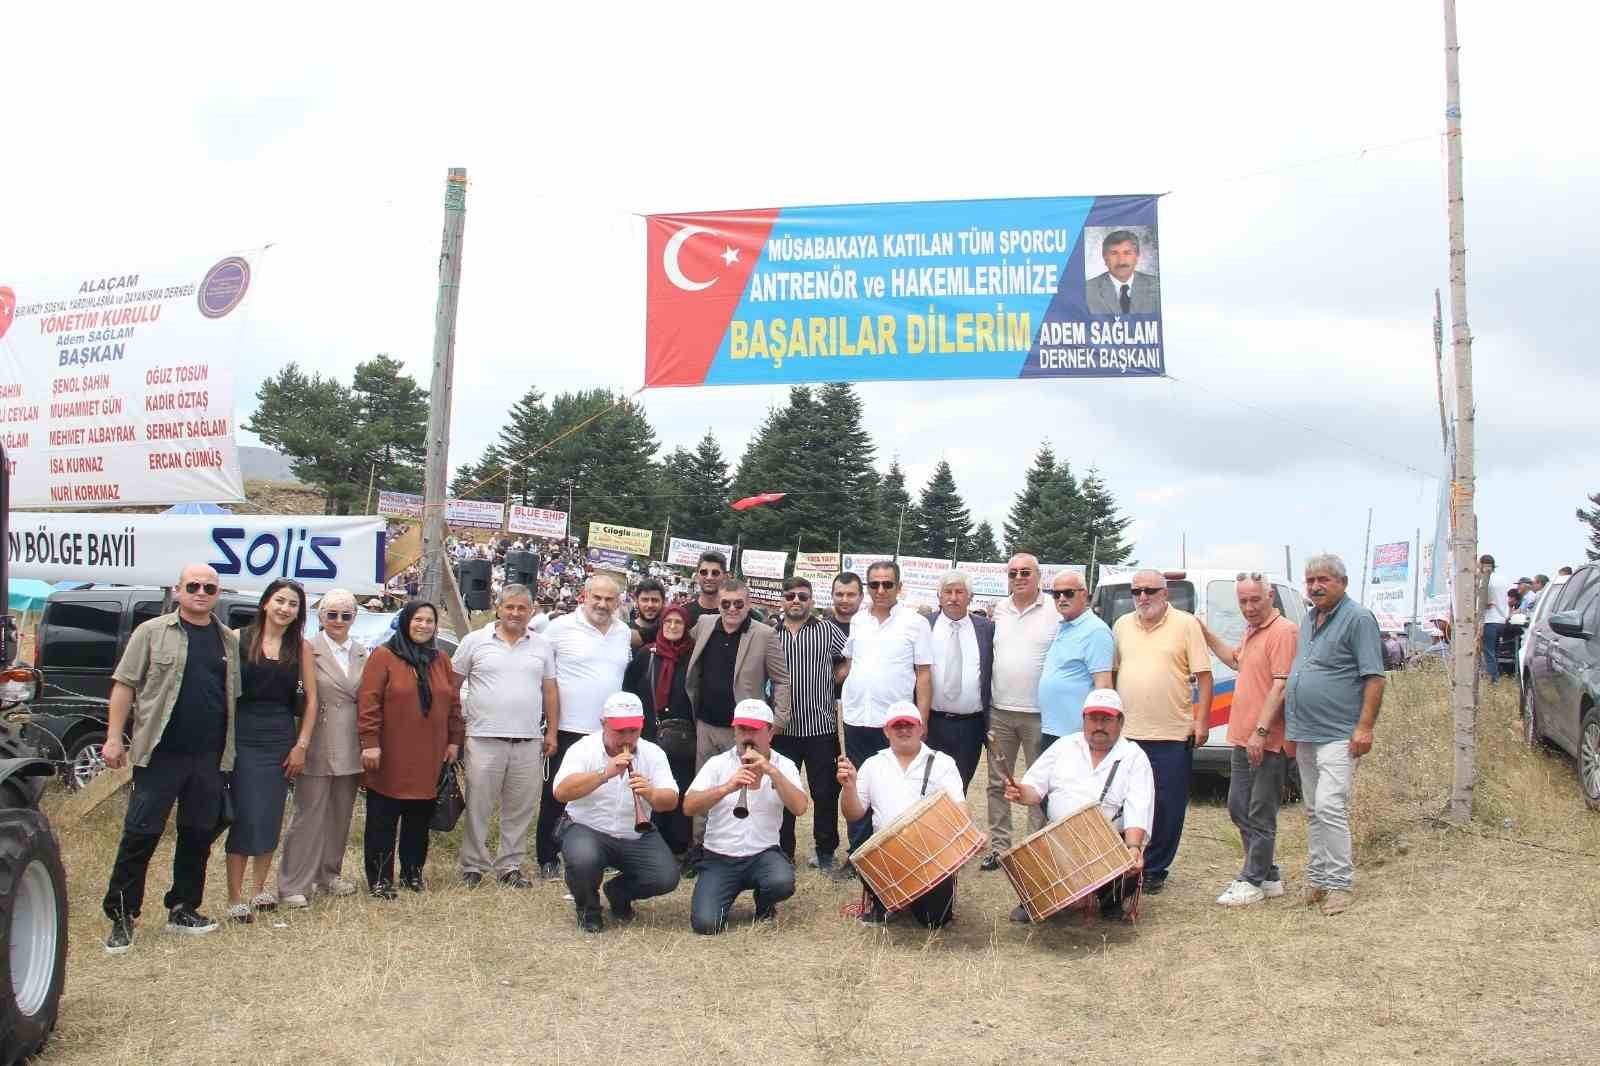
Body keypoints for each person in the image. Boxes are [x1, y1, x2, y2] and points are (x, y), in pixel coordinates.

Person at [100, 565, 241, 953]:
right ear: (177, 591)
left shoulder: (228, 641)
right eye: (192, 586)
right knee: (140, 834)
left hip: (209, 757)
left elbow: (233, 699)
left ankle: (183, 908)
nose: (200, 592)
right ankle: (123, 917)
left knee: (197, 836)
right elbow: (125, 685)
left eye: (208, 587)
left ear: (218, 592)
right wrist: (114, 738)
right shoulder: (151, 632)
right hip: (160, 754)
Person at [1285, 553, 1386, 916]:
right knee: (1313, 809)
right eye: (1310, 580)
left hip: (1339, 733)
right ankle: (1317, 879)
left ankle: (1340, 885)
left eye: (1324, 579)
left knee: (1330, 806)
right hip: (1306, 732)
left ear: (1342, 582)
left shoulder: (1358, 618)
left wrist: (1365, 727)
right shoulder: (1309, 619)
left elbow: (1374, 677)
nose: (1316, 586)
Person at [1002, 689, 1152, 922]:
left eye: (1107, 719)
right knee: (1035, 852)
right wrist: (1021, 792)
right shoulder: (1063, 745)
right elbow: (1034, 790)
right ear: (1083, 720)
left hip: (1107, 845)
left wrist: (1133, 848)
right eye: (1093, 719)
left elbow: (1138, 806)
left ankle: (1109, 901)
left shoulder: (1134, 756)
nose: (1099, 725)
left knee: (1128, 863)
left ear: (1120, 721)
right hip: (1059, 841)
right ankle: (1038, 899)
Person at [1199, 573, 1298, 908]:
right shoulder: (1253, 630)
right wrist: (1205, 633)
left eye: (1255, 599)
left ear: (1270, 596)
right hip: (1242, 738)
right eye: (1243, 601)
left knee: (1260, 810)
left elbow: (1280, 685)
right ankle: (1268, 875)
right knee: (1238, 806)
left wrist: (1260, 731)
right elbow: (1236, 661)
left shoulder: (1283, 631)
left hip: (1265, 741)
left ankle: (1252, 879)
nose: (1249, 607)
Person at [1111, 569, 1212, 893]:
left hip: (1171, 733)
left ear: (1165, 593)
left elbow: (1205, 677)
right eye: (1137, 591)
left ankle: (1155, 870)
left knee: (1167, 805)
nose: (1143, 597)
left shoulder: (1186, 625)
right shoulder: (1122, 625)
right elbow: (1113, 673)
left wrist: (1202, 721)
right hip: (1128, 733)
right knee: (1125, 802)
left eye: (1150, 591)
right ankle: (1125, 862)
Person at [224, 579, 319, 922]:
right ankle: (235, 896)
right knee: (245, 814)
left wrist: (301, 744)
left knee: (270, 814)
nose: (285, 608)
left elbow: (311, 701)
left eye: (293, 604)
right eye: (280, 600)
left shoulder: (302, 648)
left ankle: (259, 889)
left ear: (299, 612)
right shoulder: (237, 639)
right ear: (265, 603)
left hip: (281, 738)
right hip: (243, 736)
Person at [683, 576, 791, 873]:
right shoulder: (704, 624)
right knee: (705, 787)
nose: (732, 609)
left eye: (738, 604)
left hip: (743, 731)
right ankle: (699, 849)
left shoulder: (765, 634)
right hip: (705, 723)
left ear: (748, 604)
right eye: (726, 604)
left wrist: (779, 718)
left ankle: (737, 851)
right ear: (718, 603)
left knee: (741, 790)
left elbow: (781, 679)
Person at [453, 584, 558, 889]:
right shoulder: (474, 641)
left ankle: (510, 866)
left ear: (531, 611)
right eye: (509, 607)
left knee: (521, 808)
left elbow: (550, 691)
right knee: (478, 806)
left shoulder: (542, 646)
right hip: (483, 738)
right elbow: (451, 684)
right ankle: (473, 865)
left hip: (528, 741)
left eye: (522, 608)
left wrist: (551, 730)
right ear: (497, 608)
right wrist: (455, 731)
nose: (515, 613)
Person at [358, 601, 464, 898]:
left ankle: (412, 873)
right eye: (418, 619)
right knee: (383, 819)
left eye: (430, 621)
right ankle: (379, 878)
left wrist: (454, 740)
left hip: (430, 756)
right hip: (390, 753)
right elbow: (369, 703)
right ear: (406, 622)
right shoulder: (384, 656)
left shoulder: (440, 659)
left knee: (418, 819)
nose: (424, 626)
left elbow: (453, 704)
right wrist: (369, 743)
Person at [837, 701, 974, 927]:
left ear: (921, 728)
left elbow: (960, 808)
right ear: (886, 731)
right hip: (885, 857)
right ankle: (885, 900)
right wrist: (848, 787)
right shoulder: (872, 765)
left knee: (934, 922)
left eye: (909, 725)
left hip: (931, 858)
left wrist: (969, 834)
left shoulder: (943, 763)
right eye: (897, 725)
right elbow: (853, 814)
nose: (903, 730)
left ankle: (913, 902)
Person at [552, 692, 681, 933]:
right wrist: (604, 774)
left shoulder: (653, 753)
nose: (628, 738)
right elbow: (561, 792)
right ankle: (588, 910)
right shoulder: (583, 749)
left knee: (666, 877)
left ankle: (618, 893)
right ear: (603, 724)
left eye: (633, 731)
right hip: (587, 828)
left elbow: (671, 800)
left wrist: (651, 794)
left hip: (634, 834)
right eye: (620, 731)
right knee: (583, 859)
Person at [536, 573, 633, 880]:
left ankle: (598, 855)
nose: (602, 604)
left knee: (601, 794)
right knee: (556, 795)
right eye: (597, 598)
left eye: (609, 599)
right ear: (584, 596)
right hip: (566, 728)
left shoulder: (623, 631)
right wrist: (548, 727)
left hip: (608, 733)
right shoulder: (559, 628)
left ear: (618, 602)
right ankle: (547, 856)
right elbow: (540, 669)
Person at [683, 699, 808, 933]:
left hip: (763, 854)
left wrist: (772, 772)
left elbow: (800, 808)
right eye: (741, 729)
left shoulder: (785, 765)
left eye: (754, 729)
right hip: (719, 857)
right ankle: (720, 894)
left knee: (781, 882)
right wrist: (726, 788)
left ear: (770, 732)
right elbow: (689, 807)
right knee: (706, 925)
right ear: (734, 732)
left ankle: (764, 904)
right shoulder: (717, 764)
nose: (746, 736)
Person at [838, 561, 933, 859]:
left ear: (899, 587)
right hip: (856, 717)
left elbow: (924, 674)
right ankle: (858, 853)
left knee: (891, 787)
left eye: (887, 584)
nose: (880, 590)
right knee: (858, 786)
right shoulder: (859, 621)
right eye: (874, 584)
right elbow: (852, 663)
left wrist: (923, 719)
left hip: (894, 723)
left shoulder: (915, 623)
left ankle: (891, 851)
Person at [278, 590, 367, 907]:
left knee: (340, 814)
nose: (339, 621)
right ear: (320, 617)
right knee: (309, 814)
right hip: (315, 739)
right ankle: (293, 883)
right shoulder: (306, 649)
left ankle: (328, 874)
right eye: (332, 614)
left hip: (350, 742)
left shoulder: (361, 652)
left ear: (355, 617)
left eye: (346, 615)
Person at [980, 554, 1058, 871]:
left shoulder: (1054, 610)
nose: (1019, 577)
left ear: (1039, 576)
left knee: (1037, 785)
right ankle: (1000, 847)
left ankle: (1033, 847)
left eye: (1026, 572)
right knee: (997, 783)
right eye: (1013, 572)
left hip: (1039, 714)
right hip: (999, 711)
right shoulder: (999, 610)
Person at [773, 576, 848, 870]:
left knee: (825, 792)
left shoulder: (827, 630)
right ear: (782, 600)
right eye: (790, 596)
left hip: (821, 726)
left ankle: (826, 851)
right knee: (782, 792)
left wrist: (834, 678)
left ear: (811, 601)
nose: (796, 601)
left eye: (802, 596)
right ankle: (782, 852)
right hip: (783, 729)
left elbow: (850, 657)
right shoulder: (770, 633)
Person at [622, 604, 697, 855]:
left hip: (684, 736)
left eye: (679, 623)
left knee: (679, 788)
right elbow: (630, 688)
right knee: (651, 787)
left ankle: (678, 847)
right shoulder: (648, 654)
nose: (673, 627)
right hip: (652, 734)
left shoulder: (694, 655)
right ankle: (650, 843)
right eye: (668, 622)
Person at [925, 571, 993, 793]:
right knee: (927, 785)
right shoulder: (924, 626)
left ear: (970, 597)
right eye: (948, 592)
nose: (953, 597)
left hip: (970, 727)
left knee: (959, 787)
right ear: (939, 596)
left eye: (959, 592)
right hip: (932, 723)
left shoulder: (987, 629)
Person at [1037, 569, 1114, 750]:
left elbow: (1103, 687)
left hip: (1076, 734)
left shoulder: (1096, 631)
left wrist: (1097, 732)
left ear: (1084, 595)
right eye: (1056, 594)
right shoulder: (1064, 626)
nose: (1062, 598)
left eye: (1068, 593)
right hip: (1053, 729)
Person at [1085, 229, 1160, 315]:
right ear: (1105, 258)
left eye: (1127, 253)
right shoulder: (1087, 290)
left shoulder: (1156, 286)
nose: (1121, 261)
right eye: (1114, 253)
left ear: (1137, 257)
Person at [1478, 554, 1512, 683]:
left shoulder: (1485, 581)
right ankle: (1496, 676)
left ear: (1482, 565)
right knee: (1496, 651)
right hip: (1502, 620)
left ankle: (1494, 679)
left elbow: (1483, 602)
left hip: (1489, 620)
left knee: (1489, 652)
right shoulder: (1503, 579)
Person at [685, 551, 727, 627]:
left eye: (715, 573)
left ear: (725, 577)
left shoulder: (734, 614)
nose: (709, 577)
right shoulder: (684, 613)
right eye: (704, 572)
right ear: (697, 577)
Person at [630, 578, 666, 648]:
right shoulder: (626, 629)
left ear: (663, 603)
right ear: (636, 602)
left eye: (655, 600)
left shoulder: (669, 632)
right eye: (645, 600)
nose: (650, 605)